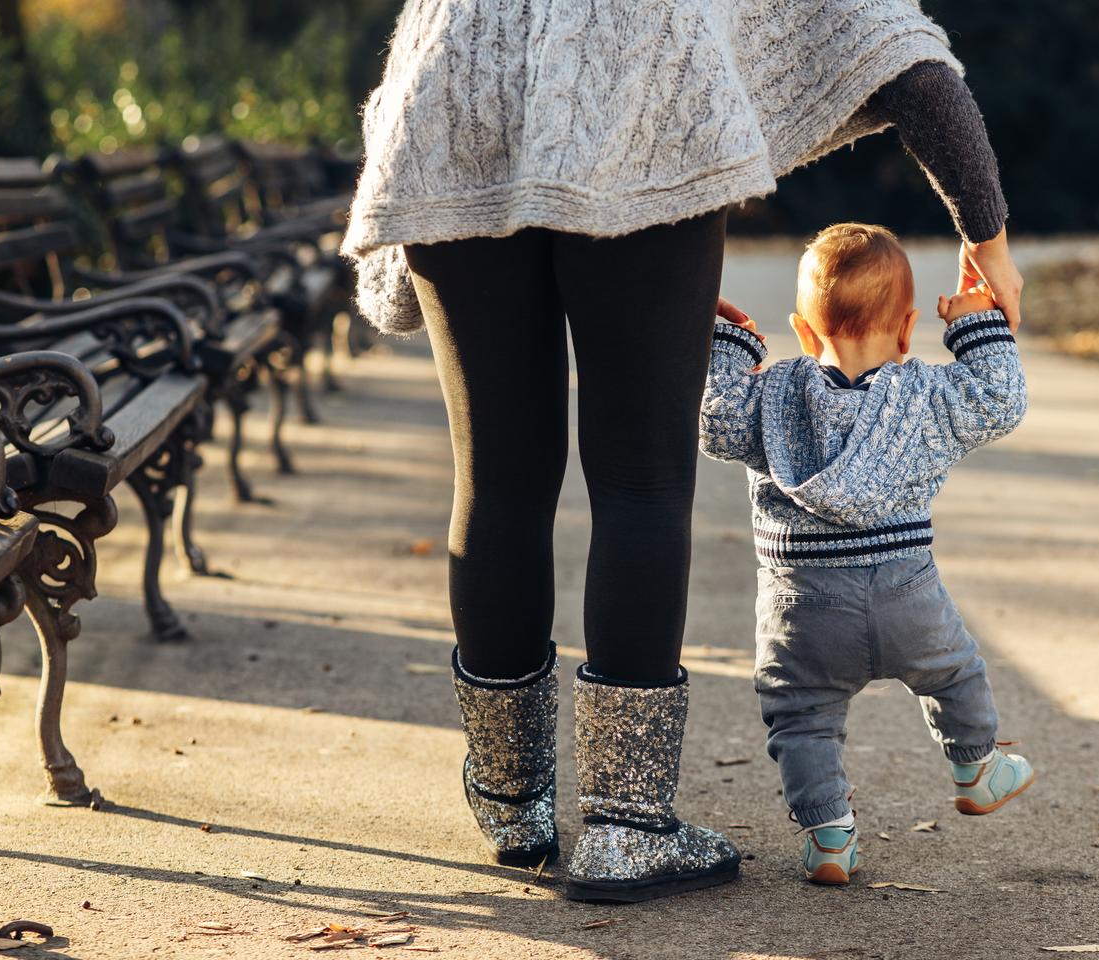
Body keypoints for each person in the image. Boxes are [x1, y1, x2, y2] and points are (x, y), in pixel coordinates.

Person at [341, 2, 1025, 903]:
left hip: (452, 101)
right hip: (645, 112)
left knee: (498, 480)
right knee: (641, 479)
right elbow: (904, 58)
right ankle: (626, 830)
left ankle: (512, 803)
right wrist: (990, 245)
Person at [699, 223, 1034, 885]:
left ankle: (828, 834)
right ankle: (977, 766)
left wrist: (725, 343)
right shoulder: (927, 399)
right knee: (955, 673)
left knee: (801, 717)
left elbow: (714, 419)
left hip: (804, 612)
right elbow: (1001, 399)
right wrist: (976, 324)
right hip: (909, 599)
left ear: (802, 330)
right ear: (908, 331)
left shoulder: (771, 399)